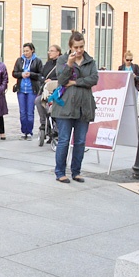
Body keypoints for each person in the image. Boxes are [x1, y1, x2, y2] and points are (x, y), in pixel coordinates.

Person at [52, 31, 98, 183]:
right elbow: (62, 80)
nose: (79, 50)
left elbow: (94, 79)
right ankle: (60, 172)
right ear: (70, 47)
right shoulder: (62, 60)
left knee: (80, 141)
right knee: (64, 140)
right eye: (76, 47)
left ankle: (76, 171)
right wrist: (69, 65)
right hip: (65, 107)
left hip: (84, 107)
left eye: (81, 47)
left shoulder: (90, 61)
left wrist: (76, 82)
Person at [12, 42, 43, 140]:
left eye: (27, 51)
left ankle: (29, 132)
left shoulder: (37, 61)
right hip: (21, 89)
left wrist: (31, 74)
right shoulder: (19, 60)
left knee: (30, 112)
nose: (25, 53)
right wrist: (21, 74)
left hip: (32, 90)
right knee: (22, 112)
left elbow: (41, 75)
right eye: (24, 51)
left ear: (32, 50)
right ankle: (23, 131)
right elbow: (14, 73)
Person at [36, 45, 61, 146]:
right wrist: (43, 80)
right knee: (38, 101)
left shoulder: (62, 64)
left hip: (56, 91)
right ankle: (43, 124)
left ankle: (55, 128)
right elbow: (40, 74)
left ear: (58, 52)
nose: (49, 53)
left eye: (52, 51)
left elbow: (62, 75)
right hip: (46, 90)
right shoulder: (47, 64)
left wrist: (53, 80)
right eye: (49, 50)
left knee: (51, 106)